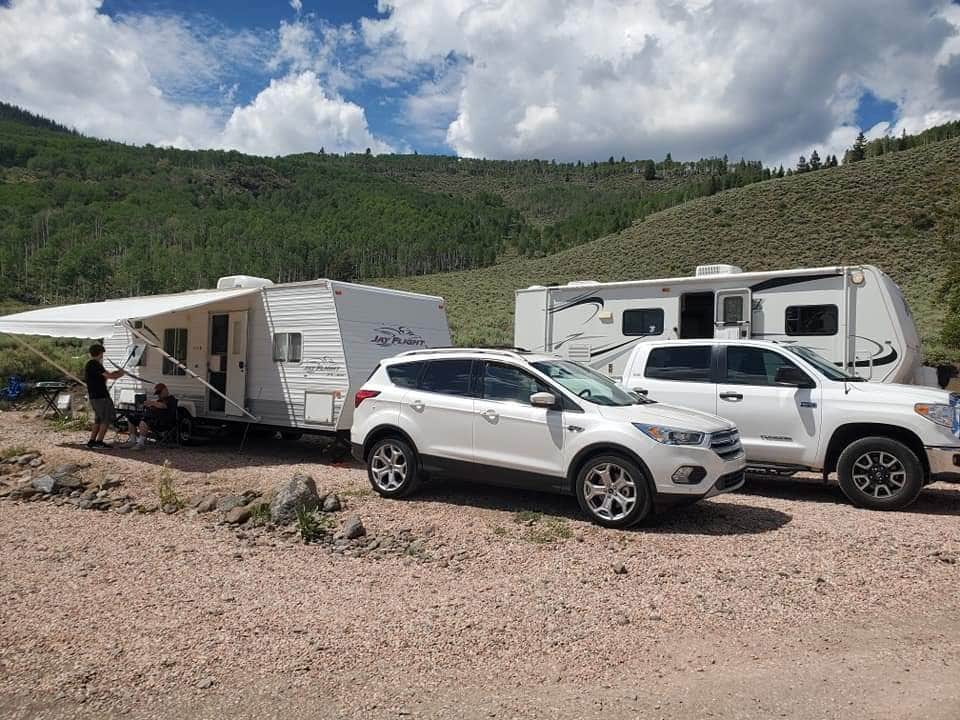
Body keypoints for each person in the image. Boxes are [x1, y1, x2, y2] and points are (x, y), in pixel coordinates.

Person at [85, 344, 125, 449]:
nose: (102, 355)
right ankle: (99, 441)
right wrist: (120, 374)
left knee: (98, 419)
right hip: (100, 397)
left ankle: (92, 441)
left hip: (95, 397)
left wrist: (117, 373)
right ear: (99, 353)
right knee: (105, 419)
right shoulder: (94, 364)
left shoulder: (92, 364)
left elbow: (106, 375)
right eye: (102, 353)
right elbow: (109, 376)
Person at [126, 383, 178, 450]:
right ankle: (132, 441)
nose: (158, 395)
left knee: (144, 421)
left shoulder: (171, 399)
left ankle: (141, 443)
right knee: (131, 418)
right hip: (153, 418)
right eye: (157, 393)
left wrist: (152, 403)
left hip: (163, 422)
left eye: (159, 393)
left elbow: (163, 406)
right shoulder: (159, 400)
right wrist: (148, 406)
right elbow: (156, 406)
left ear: (165, 390)